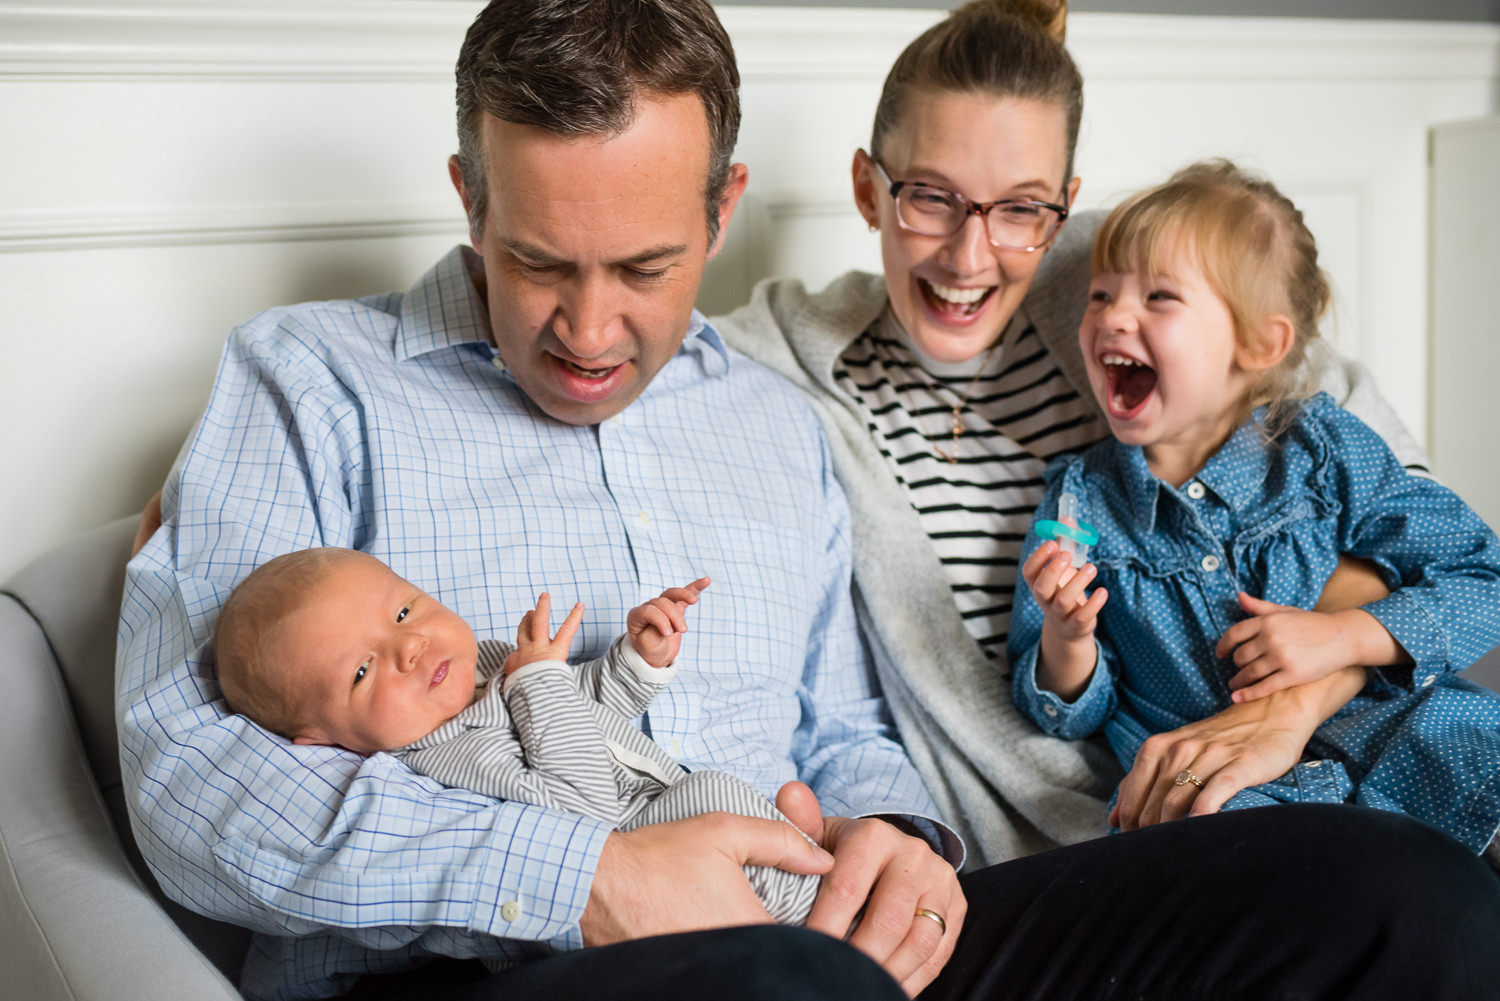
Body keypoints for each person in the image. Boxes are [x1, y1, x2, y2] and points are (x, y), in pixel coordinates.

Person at [119, 1, 1500, 1000]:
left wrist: (896, 846)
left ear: (723, 213)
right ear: (469, 199)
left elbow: (843, 723)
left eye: (647, 267)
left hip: (827, 921)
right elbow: (184, 769)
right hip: (505, 964)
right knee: (784, 986)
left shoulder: (776, 413)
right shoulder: (313, 382)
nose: (590, 330)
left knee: (1399, 895)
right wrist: (584, 882)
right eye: (537, 262)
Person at [1008, 159, 1500, 859]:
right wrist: (1068, 638)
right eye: (1100, 294)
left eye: (1159, 297)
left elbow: (1484, 575)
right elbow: (1060, 709)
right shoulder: (1080, 501)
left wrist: (1346, 636)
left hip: (1419, 738)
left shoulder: (1322, 451)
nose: (1113, 316)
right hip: (1233, 799)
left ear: (1258, 342)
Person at [213, 549, 820, 927]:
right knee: (721, 801)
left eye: (403, 613)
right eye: (361, 672)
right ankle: (825, 921)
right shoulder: (448, 758)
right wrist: (538, 680)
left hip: (722, 858)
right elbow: (585, 815)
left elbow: (587, 717)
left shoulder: (487, 673)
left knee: (765, 813)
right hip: (669, 885)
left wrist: (638, 660)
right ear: (322, 741)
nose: (409, 648)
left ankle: (828, 898)